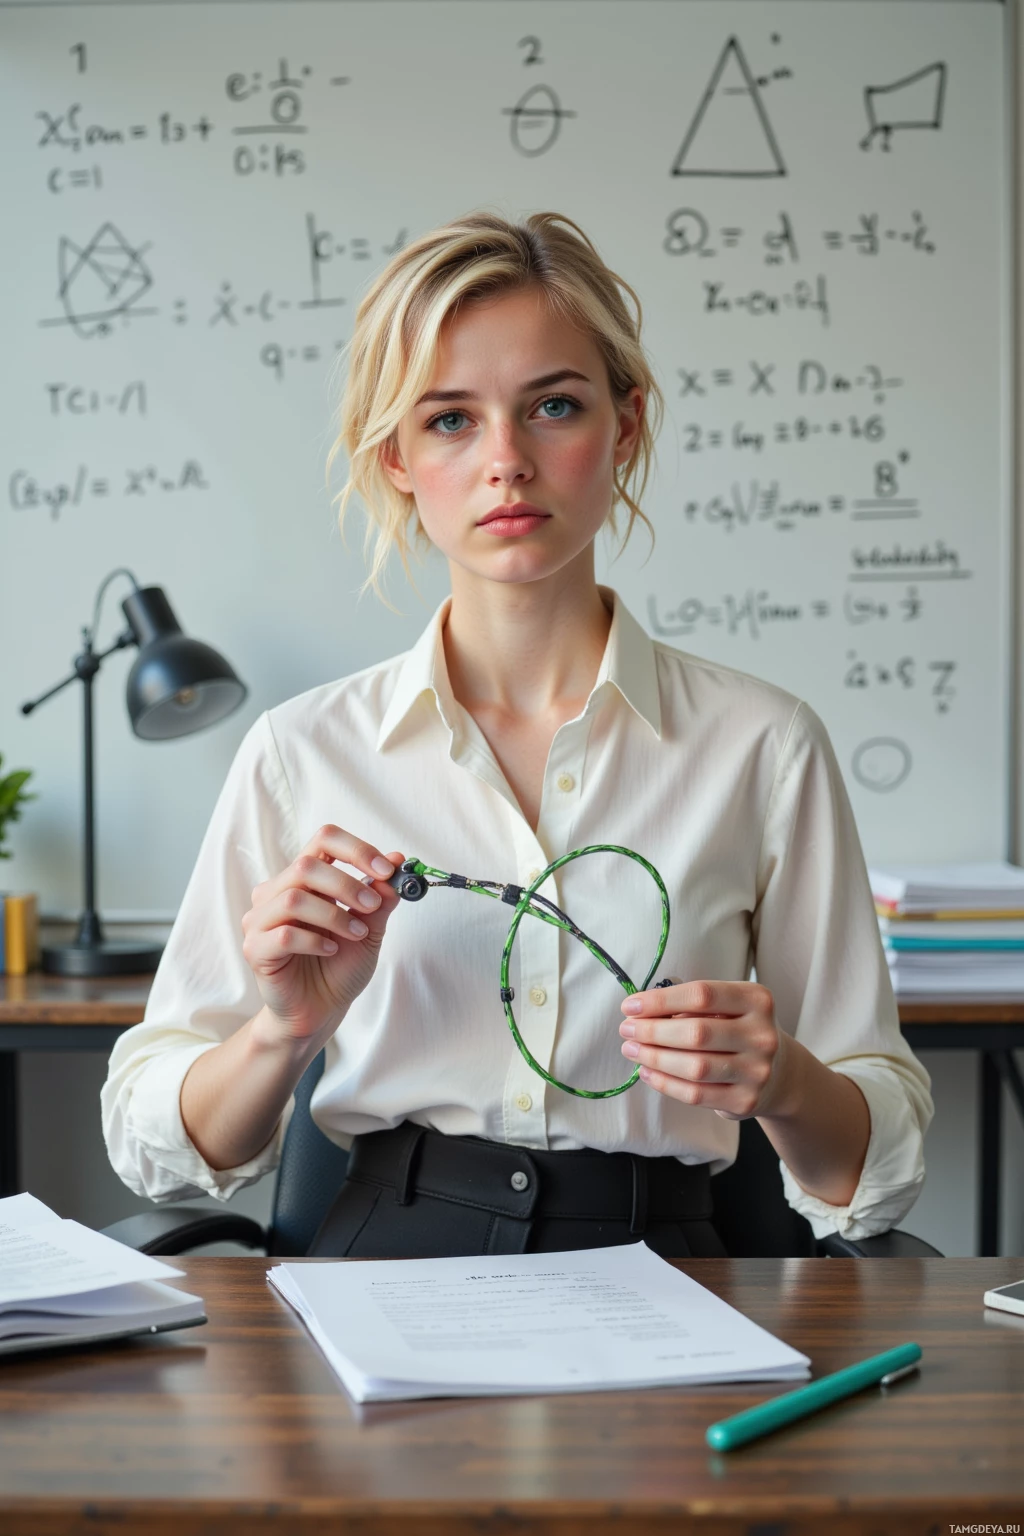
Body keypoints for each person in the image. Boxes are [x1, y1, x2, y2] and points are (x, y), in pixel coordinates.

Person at [101, 210, 933, 1258]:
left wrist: (785, 1083)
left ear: (623, 427)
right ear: (395, 454)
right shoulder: (299, 751)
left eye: (552, 406)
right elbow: (156, 1149)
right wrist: (284, 1030)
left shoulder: (765, 748)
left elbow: (871, 1181)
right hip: (380, 1262)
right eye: (449, 419)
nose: (507, 461)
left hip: (668, 1271)